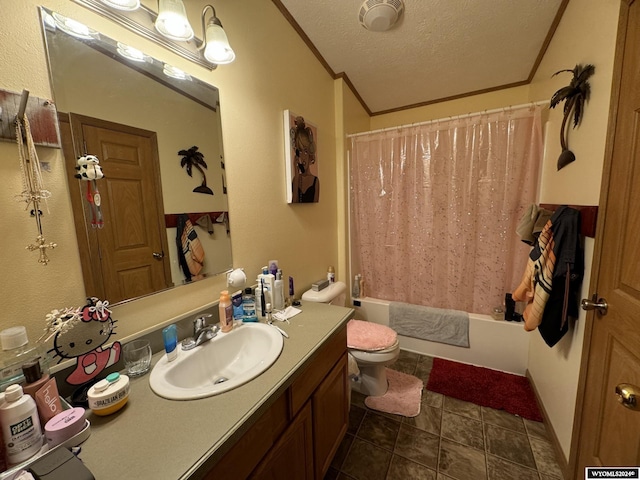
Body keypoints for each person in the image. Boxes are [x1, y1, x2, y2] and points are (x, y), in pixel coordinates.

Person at [290, 116, 319, 203]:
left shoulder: (315, 181)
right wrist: (297, 173)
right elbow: (294, 201)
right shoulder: (296, 179)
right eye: (300, 151)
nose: (303, 156)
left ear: (310, 154)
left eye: (306, 151)